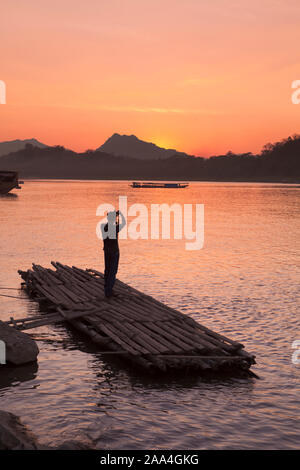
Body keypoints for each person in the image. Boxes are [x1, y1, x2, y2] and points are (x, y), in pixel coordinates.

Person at [101, 210, 126, 298]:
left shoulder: (104, 227)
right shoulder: (114, 228)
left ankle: (107, 290)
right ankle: (109, 291)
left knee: (107, 270)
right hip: (114, 252)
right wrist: (120, 215)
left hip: (107, 251)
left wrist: (115, 217)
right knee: (112, 271)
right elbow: (124, 223)